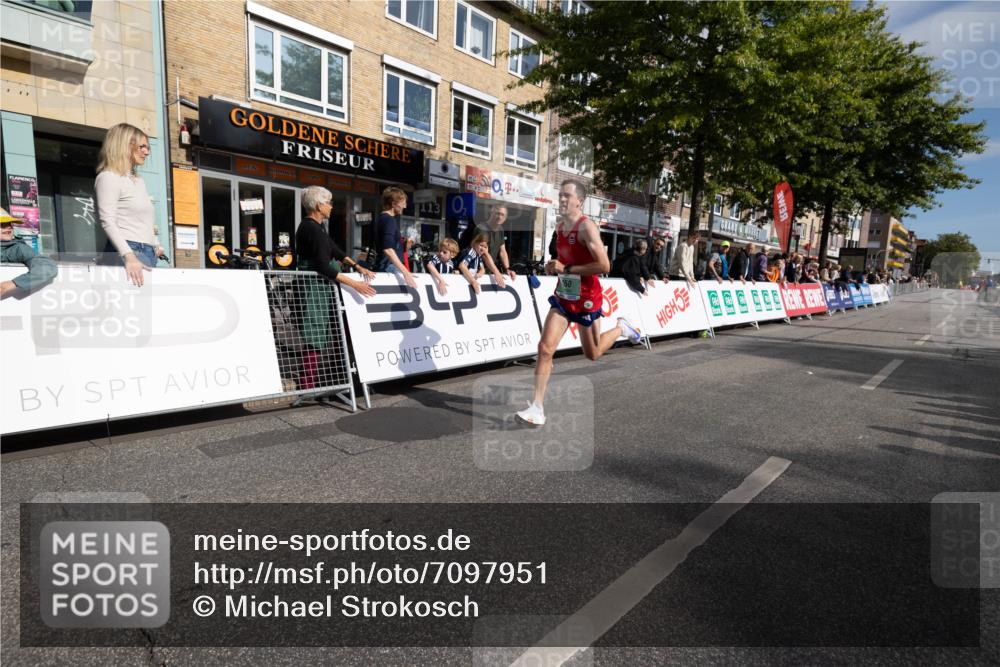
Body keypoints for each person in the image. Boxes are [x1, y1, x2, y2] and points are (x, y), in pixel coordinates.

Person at [516, 179, 641, 427]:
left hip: (587, 298)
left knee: (592, 353)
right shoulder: (560, 227)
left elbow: (604, 266)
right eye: (560, 195)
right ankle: (537, 407)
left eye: (567, 196)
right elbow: (564, 262)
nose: (562, 199)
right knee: (545, 348)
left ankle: (621, 328)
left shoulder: (587, 228)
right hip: (565, 294)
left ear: (579, 201)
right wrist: (554, 267)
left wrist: (567, 268)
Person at [295, 185, 376, 390]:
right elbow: (323, 266)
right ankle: (308, 385)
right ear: (318, 205)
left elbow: (335, 250)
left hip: (322, 286)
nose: (331, 206)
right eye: (329, 203)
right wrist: (355, 284)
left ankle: (339, 376)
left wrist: (357, 266)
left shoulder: (317, 227)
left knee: (335, 328)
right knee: (315, 333)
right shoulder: (311, 228)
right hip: (315, 288)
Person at [95, 123, 164, 287]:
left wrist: (155, 243)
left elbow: (146, 220)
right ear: (124, 145)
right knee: (127, 301)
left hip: (147, 251)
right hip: (127, 251)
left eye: (147, 147)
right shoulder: (108, 177)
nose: (147, 152)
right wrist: (129, 256)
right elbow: (107, 221)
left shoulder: (138, 181)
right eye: (142, 146)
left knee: (144, 301)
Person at [1, 207, 57, 298]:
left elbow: (47, 267)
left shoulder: (18, 248)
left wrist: (9, 285)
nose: (9, 227)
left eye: (10, 224)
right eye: (2, 224)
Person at [460, 205, 516, 287]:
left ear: (505, 218)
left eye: (502, 215)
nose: (500, 217)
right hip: (476, 272)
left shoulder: (500, 229)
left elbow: (502, 251)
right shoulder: (482, 228)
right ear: (491, 213)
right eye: (497, 213)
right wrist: (497, 272)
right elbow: (483, 253)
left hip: (489, 272)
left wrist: (507, 269)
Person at [374, 186, 417, 289]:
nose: (405, 206)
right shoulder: (389, 220)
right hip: (390, 268)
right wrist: (406, 272)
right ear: (393, 204)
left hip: (386, 266)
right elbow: (388, 249)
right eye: (403, 203)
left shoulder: (382, 218)